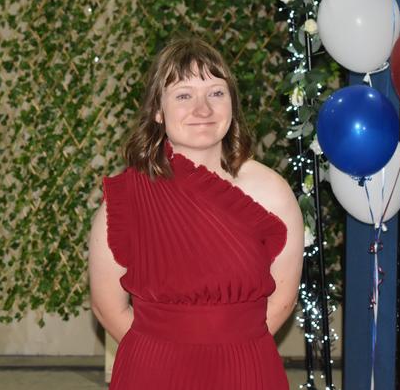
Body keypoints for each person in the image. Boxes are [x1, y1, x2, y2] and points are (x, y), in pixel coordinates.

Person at [88, 37, 304, 389]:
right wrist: (169, 353)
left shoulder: (274, 192)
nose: (203, 109)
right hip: (154, 372)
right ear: (158, 111)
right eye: (184, 95)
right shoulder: (126, 198)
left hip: (246, 369)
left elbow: (283, 298)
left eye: (216, 93)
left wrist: (230, 347)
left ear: (232, 103)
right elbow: (106, 306)